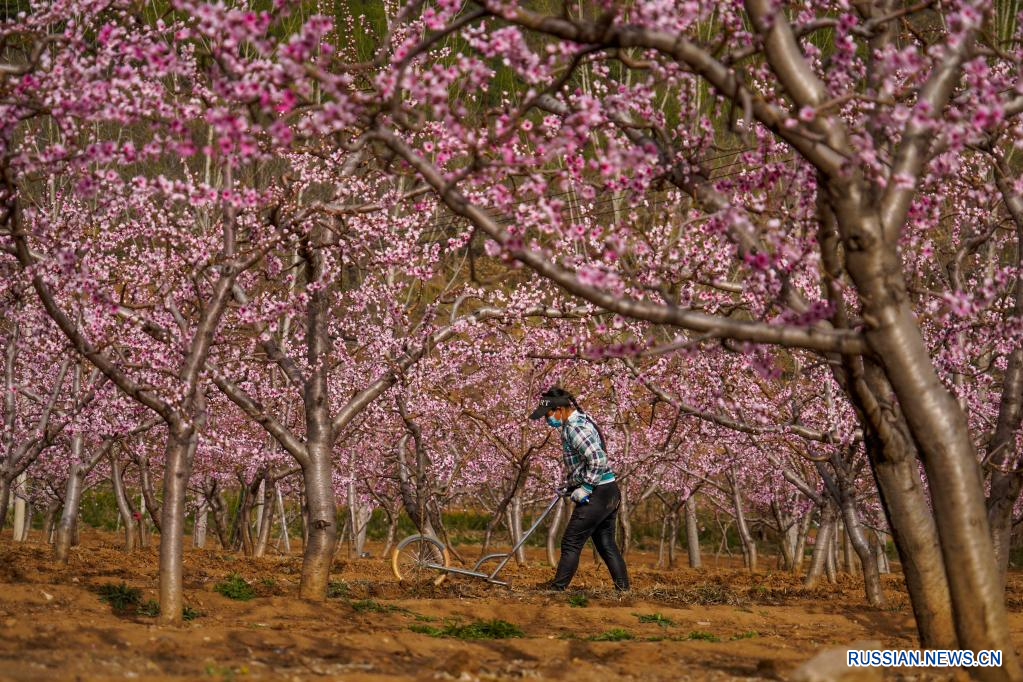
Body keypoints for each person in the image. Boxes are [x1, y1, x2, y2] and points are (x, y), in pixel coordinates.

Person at [529, 386, 630, 591]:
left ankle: (557, 589)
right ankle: (624, 590)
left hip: (598, 493)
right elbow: (584, 461)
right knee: (605, 543)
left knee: (571, 542)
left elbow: (598, 458)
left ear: (559, 410)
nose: (547, 421)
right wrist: (572, 485)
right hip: (608, 490)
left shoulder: (575, 427)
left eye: (548, 415)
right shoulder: (577, 421)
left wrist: (585, 486)